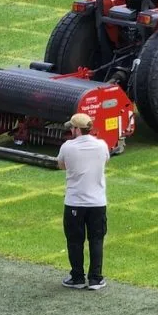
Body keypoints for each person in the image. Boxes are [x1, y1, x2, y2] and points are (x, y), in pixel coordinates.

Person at [57, 113, 110, 291]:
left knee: (74, 241)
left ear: (77, 130)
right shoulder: (101, 145)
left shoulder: (67, 147)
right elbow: (105, 160)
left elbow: (61, 165)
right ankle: (95, 278)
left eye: (72, 128)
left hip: (74, 202)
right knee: (96, 240)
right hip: (97, 203)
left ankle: (77, 277)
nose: (71, 130)